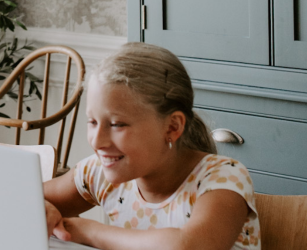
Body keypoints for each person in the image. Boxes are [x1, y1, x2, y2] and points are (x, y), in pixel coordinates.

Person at [44, 42, 260, 249]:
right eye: (92, 122)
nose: (98, 141)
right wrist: (42, 209)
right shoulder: (99, 172)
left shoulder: (223, 178)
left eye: (117, 124)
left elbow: (186, 246)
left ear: (172, 127)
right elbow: (22, 196)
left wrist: (88, 231)